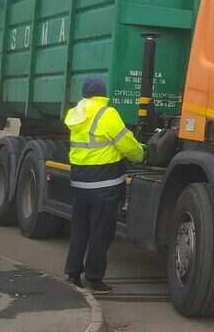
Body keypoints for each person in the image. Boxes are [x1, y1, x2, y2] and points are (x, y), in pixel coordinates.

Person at [64, 77, 146, 293]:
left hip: (80, 182)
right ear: (102, 93)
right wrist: (143, 154)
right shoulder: (106, 114)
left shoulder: (75, 114)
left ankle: (73, 275)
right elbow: (127, 144)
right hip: (104, 185)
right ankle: (94, 278)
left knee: (79, 230)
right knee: (101, 233)